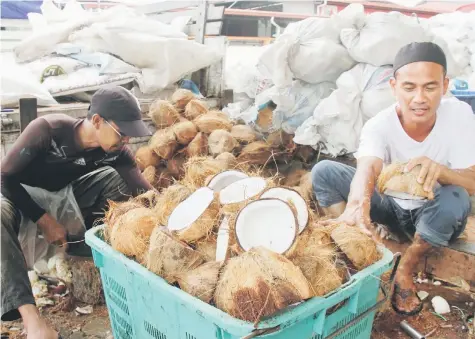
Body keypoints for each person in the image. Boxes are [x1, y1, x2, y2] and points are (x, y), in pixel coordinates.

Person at [311, 42, 474, 316]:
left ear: (445, 86)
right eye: (409, 87)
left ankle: (405, 270)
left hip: (432, 216)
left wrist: (443, 172)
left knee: (456, 195)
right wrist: (357, 205)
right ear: (394, 86)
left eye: (430, 87)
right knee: (324, 172)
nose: (419, 98)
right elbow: (367, 167)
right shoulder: (380, 124)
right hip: (390, 210)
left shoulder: (459, 115)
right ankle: (359, 241)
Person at [1, 85, 154, 338]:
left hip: (63, 196)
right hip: (18, 196)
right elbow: (4, 178)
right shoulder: (47, 131)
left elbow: (145, 194)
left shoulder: (116, 152)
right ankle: (31, 320)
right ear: (96, 121)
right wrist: (43, 219)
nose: (127, 140)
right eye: (122, 132)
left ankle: (84, 252)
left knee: (115, 182)